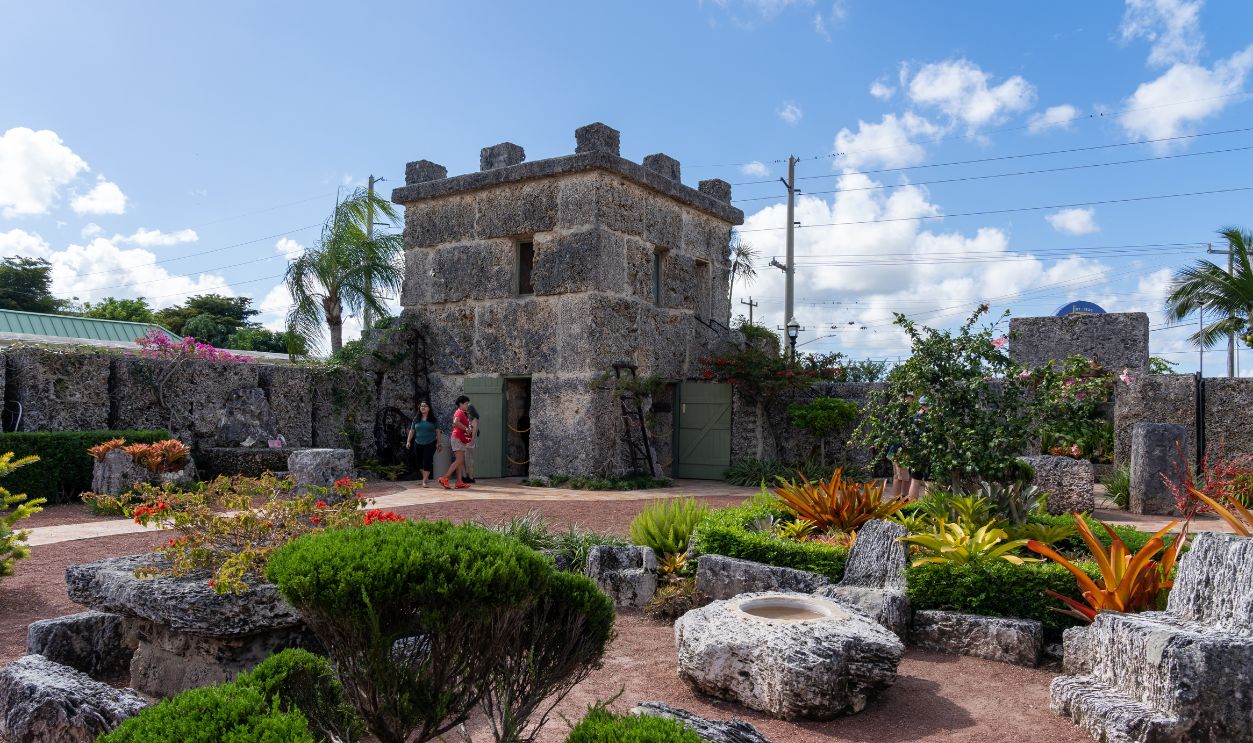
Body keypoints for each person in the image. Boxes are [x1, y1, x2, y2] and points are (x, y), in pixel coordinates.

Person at [404, 400, 442, 487]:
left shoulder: (433, 419)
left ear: (429, 408)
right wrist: (408, 441)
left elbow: (438, 431)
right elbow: (412, 430)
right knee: (418, 462)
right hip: (418, 443)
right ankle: (426, 477)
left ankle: (424, 481)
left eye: (425, 406)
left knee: (427, 461)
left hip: (430, 443)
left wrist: (439, 443)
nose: (423, 407)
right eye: (422, 406)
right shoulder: (416, 419)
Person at [439, 395, 473, 490]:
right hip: (457, 438)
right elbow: (455, 422)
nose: (467, 405)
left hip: (459, 438)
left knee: (460, 461)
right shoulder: (459, 412)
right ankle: (444, 478)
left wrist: (467, 428)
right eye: (466, 403)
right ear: (460, 404)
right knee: (459, 460)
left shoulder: (462, 413)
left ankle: (459, 482)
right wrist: (466, 429)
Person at [463, 404, 480, 484]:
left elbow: (475, 430)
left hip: (470, 441)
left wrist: (472, 440)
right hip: (467, 440)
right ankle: (468, 476)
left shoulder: (474, 419)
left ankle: (471, 477)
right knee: (467, 459)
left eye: (467, 409)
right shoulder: (468, 418)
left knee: (470, 459)